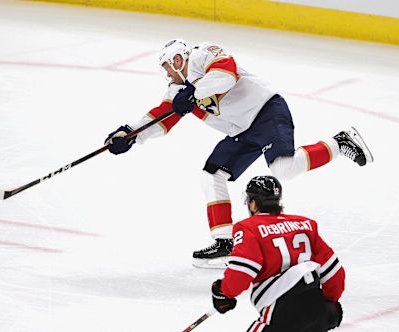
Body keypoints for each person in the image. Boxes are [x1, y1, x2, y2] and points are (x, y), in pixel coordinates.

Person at [104, 38, 373, 268]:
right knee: (211, 175)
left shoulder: (202, 54)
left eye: (166, 68)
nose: (167, 75)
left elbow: (225, 75)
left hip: (267, 112)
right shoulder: (178, 90)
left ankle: (340, 142)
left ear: (177, 59)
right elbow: (162, 117)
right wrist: (128, 135)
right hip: (242, 131)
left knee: (284, 169)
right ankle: (225, 241)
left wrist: (194, 92)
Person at [211, 175, 344, 331]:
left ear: (253, 204)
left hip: (283, 310)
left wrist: (223, 292)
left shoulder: (248, 227)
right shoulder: (305, 224)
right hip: (316, 306)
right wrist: (329, 302)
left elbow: (241, 273)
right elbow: (334, 271)